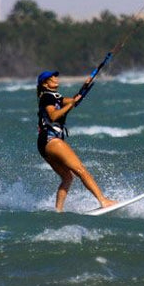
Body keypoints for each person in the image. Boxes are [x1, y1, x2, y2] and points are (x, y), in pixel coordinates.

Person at [36, 70, 117, 212]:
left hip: (44, 143)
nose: (55, 78)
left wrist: (85, 87)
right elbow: (53, 116)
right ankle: (103, 201)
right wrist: (71, 104)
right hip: (51, 139)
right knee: (81, 170)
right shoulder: (47, 97)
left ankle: (58, 211)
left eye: (55, 76)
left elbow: (73, 101)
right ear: (45, 83)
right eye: (52, 77)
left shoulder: (54, 97)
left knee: (67, 177)